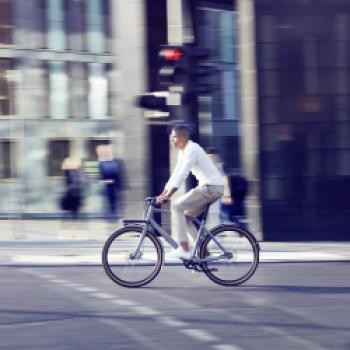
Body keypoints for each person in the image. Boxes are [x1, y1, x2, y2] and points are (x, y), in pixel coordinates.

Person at [156, 126, 224, 259]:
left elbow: (182, 175)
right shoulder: (183, 152)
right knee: (186, 218)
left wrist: (167, 196)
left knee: (176, 207)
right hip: (210, 187)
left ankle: (184, 248)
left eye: (174, 137)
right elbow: (175, 174)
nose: (171, 140)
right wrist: (163, 193)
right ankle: (204, 252)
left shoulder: (192, 149)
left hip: (210, 187)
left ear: (182, 138)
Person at [206, 148, 249, 228]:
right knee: (221, 215)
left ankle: (244, 228)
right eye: (208, 158)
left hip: (226, 195)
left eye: (211, 157)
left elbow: (226, 181)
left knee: (225, 214)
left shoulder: (221, 166)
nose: (210, 159)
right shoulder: (212, 168)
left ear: (216, 156)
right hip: (219, 195)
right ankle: (221, 233)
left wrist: (227, 196)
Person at [96, 144, 124, 219]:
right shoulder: (111, 162)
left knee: (111, 203)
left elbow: (104, 176)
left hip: (110, 187)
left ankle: (112, 216)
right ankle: (112, 215)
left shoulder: (106, 162)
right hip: (111, 187)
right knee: (111, 203)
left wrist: (102, 181)